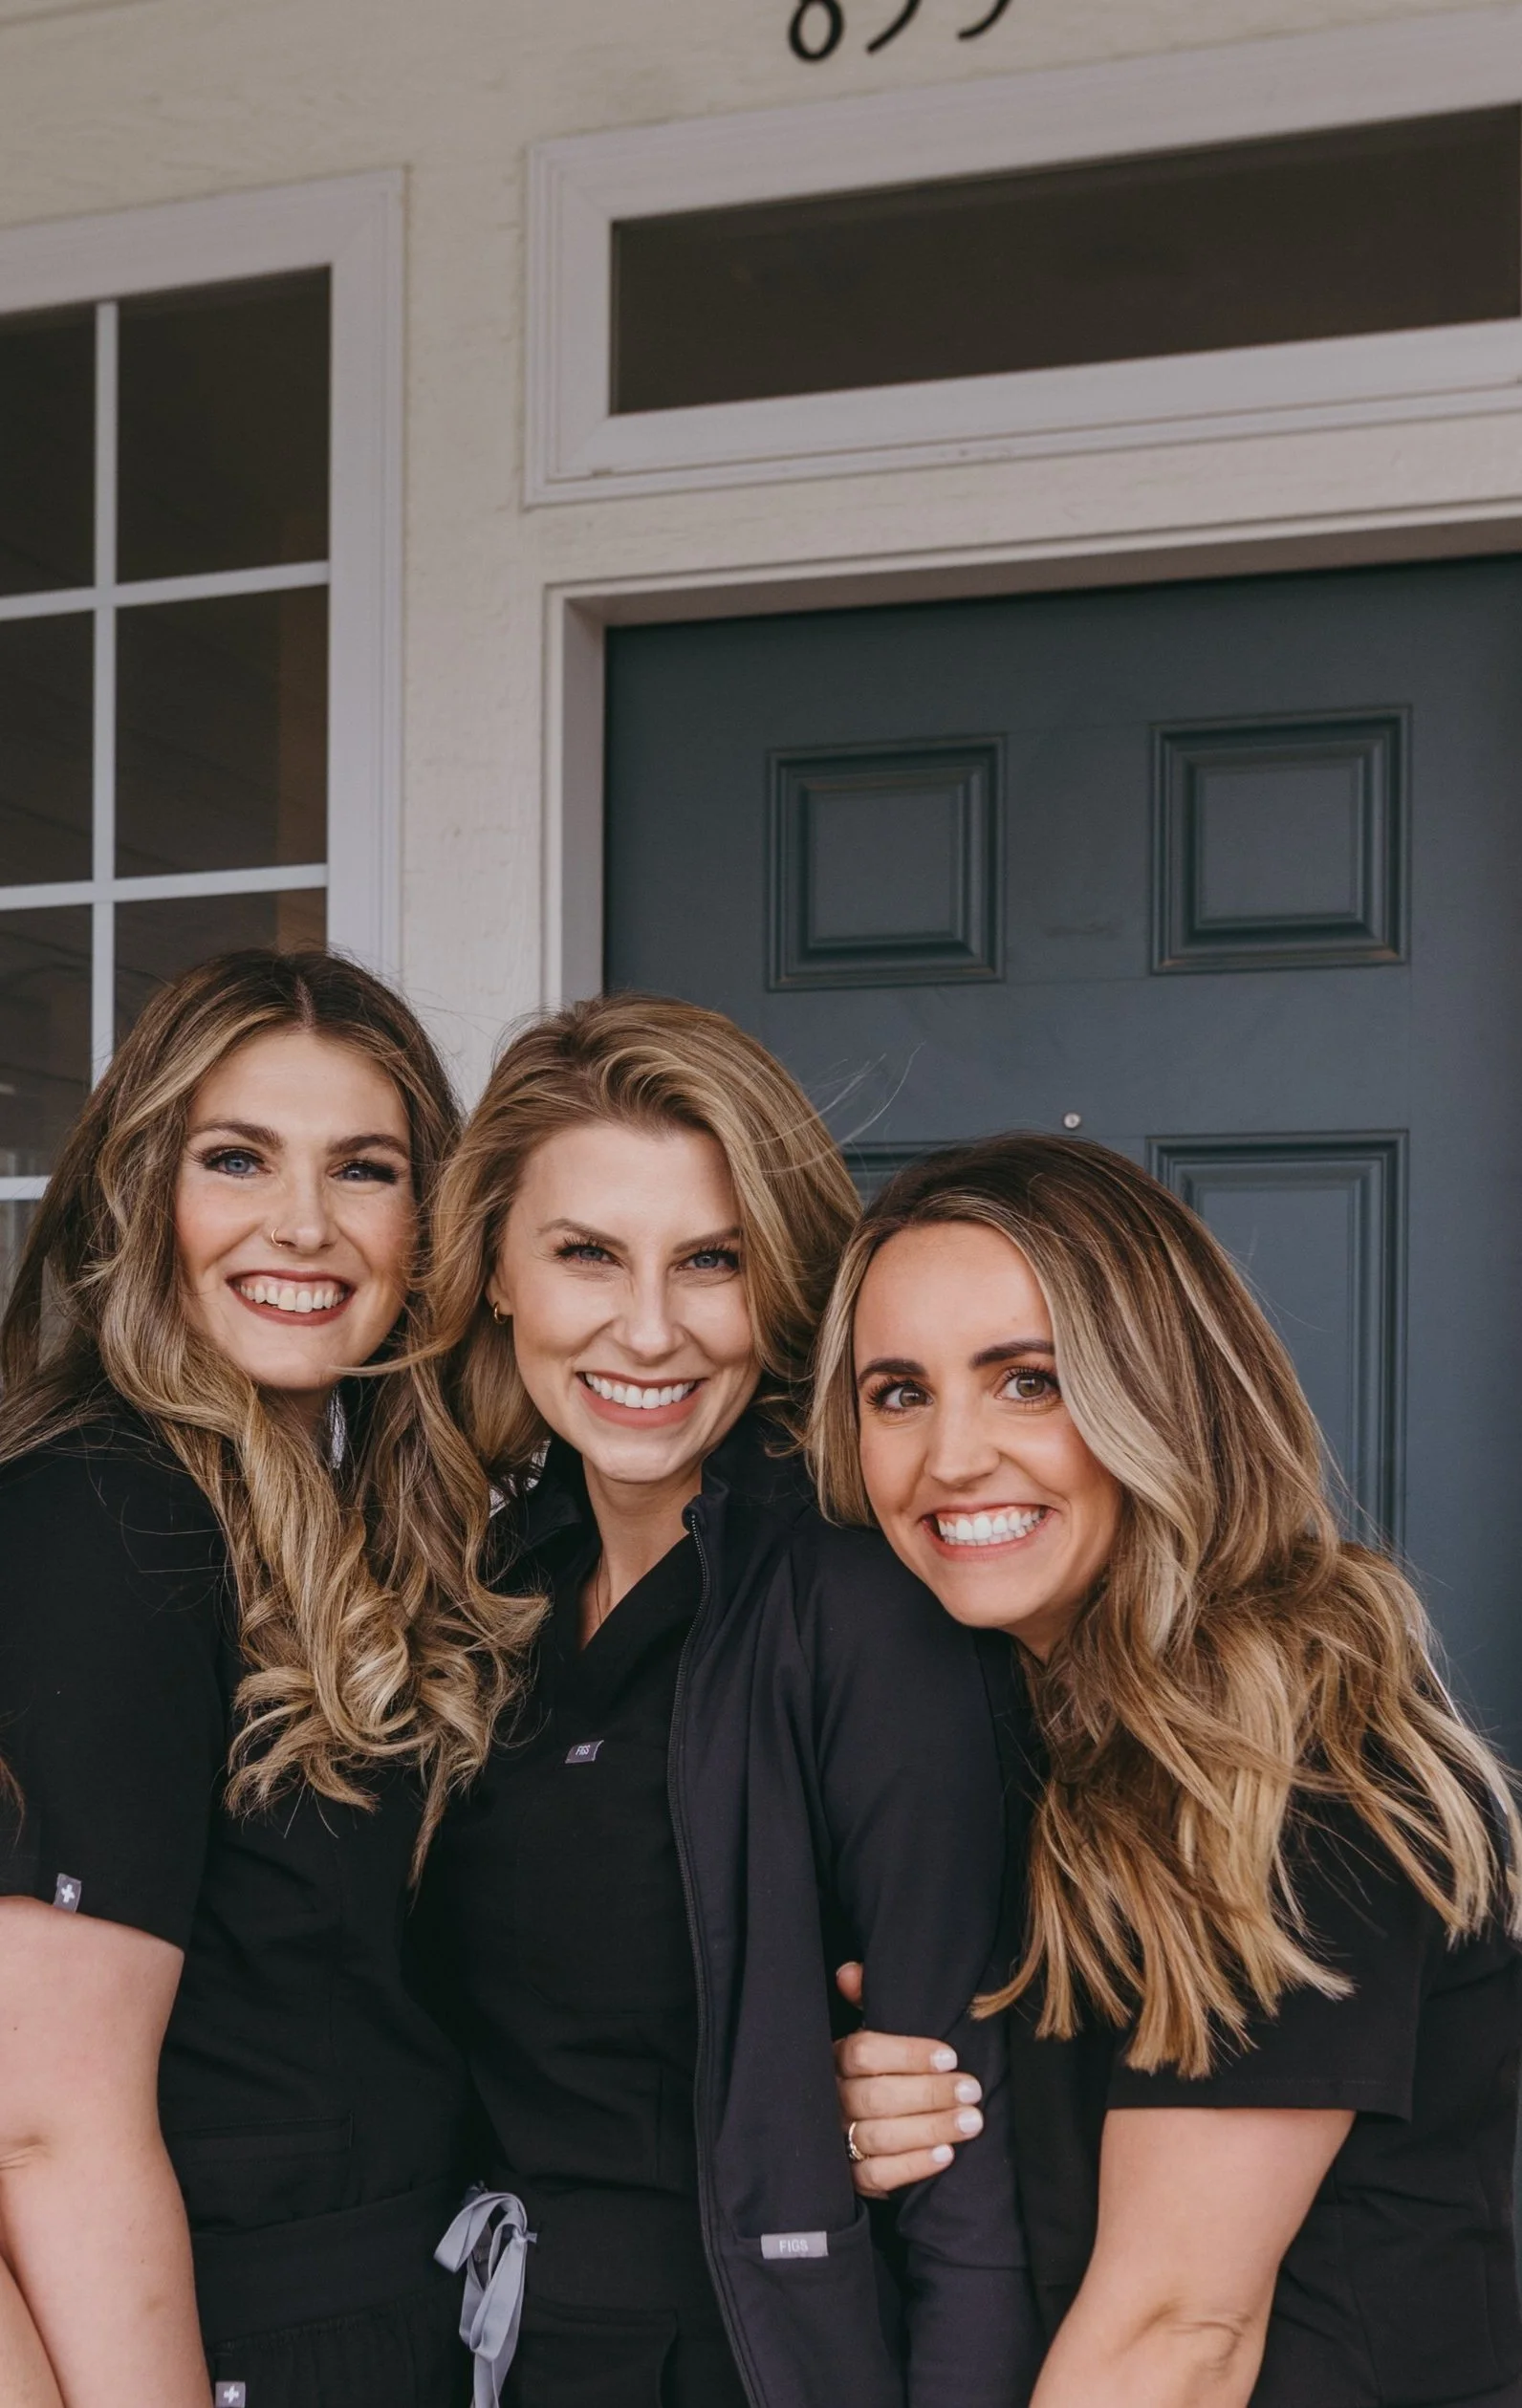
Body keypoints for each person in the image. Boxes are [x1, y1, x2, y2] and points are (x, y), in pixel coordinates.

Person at [816, 1135, 1522, 2408]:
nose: (953, 1456)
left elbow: (1177, 2336)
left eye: (1028, 1381)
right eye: (899, 1392)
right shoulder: (990, 1736)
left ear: (1161, 1394)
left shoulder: (1301, 1760)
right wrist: (874, 2103)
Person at [415, 993, 1039, 2408]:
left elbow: (963, 2176)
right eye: (586, 1254)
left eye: (712, 1259)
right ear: (498, 1269)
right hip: (496, 2348)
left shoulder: (859, 1605)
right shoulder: (488, 1592)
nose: (651, 1326)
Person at [0, 949, 533, 2408]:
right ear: (141, 1196)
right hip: (225, 2342)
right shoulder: (111, 1519)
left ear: (429, 1228)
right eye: (236, 1159)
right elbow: (42, 2122)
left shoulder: (332, 1529)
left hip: (385, 2312)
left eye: (364, 1169)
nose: (304, 1224)